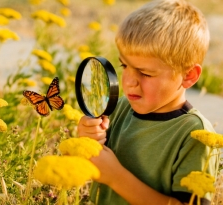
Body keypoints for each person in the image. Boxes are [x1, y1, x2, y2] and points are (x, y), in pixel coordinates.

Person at [77, 0, 218, 204]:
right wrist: (89, 138)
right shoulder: (121, 107)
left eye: (145, 73)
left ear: (188, 75)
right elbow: (96, 165)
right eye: (124, 65)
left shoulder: (195, 136)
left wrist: (117, 177)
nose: (128, 81)